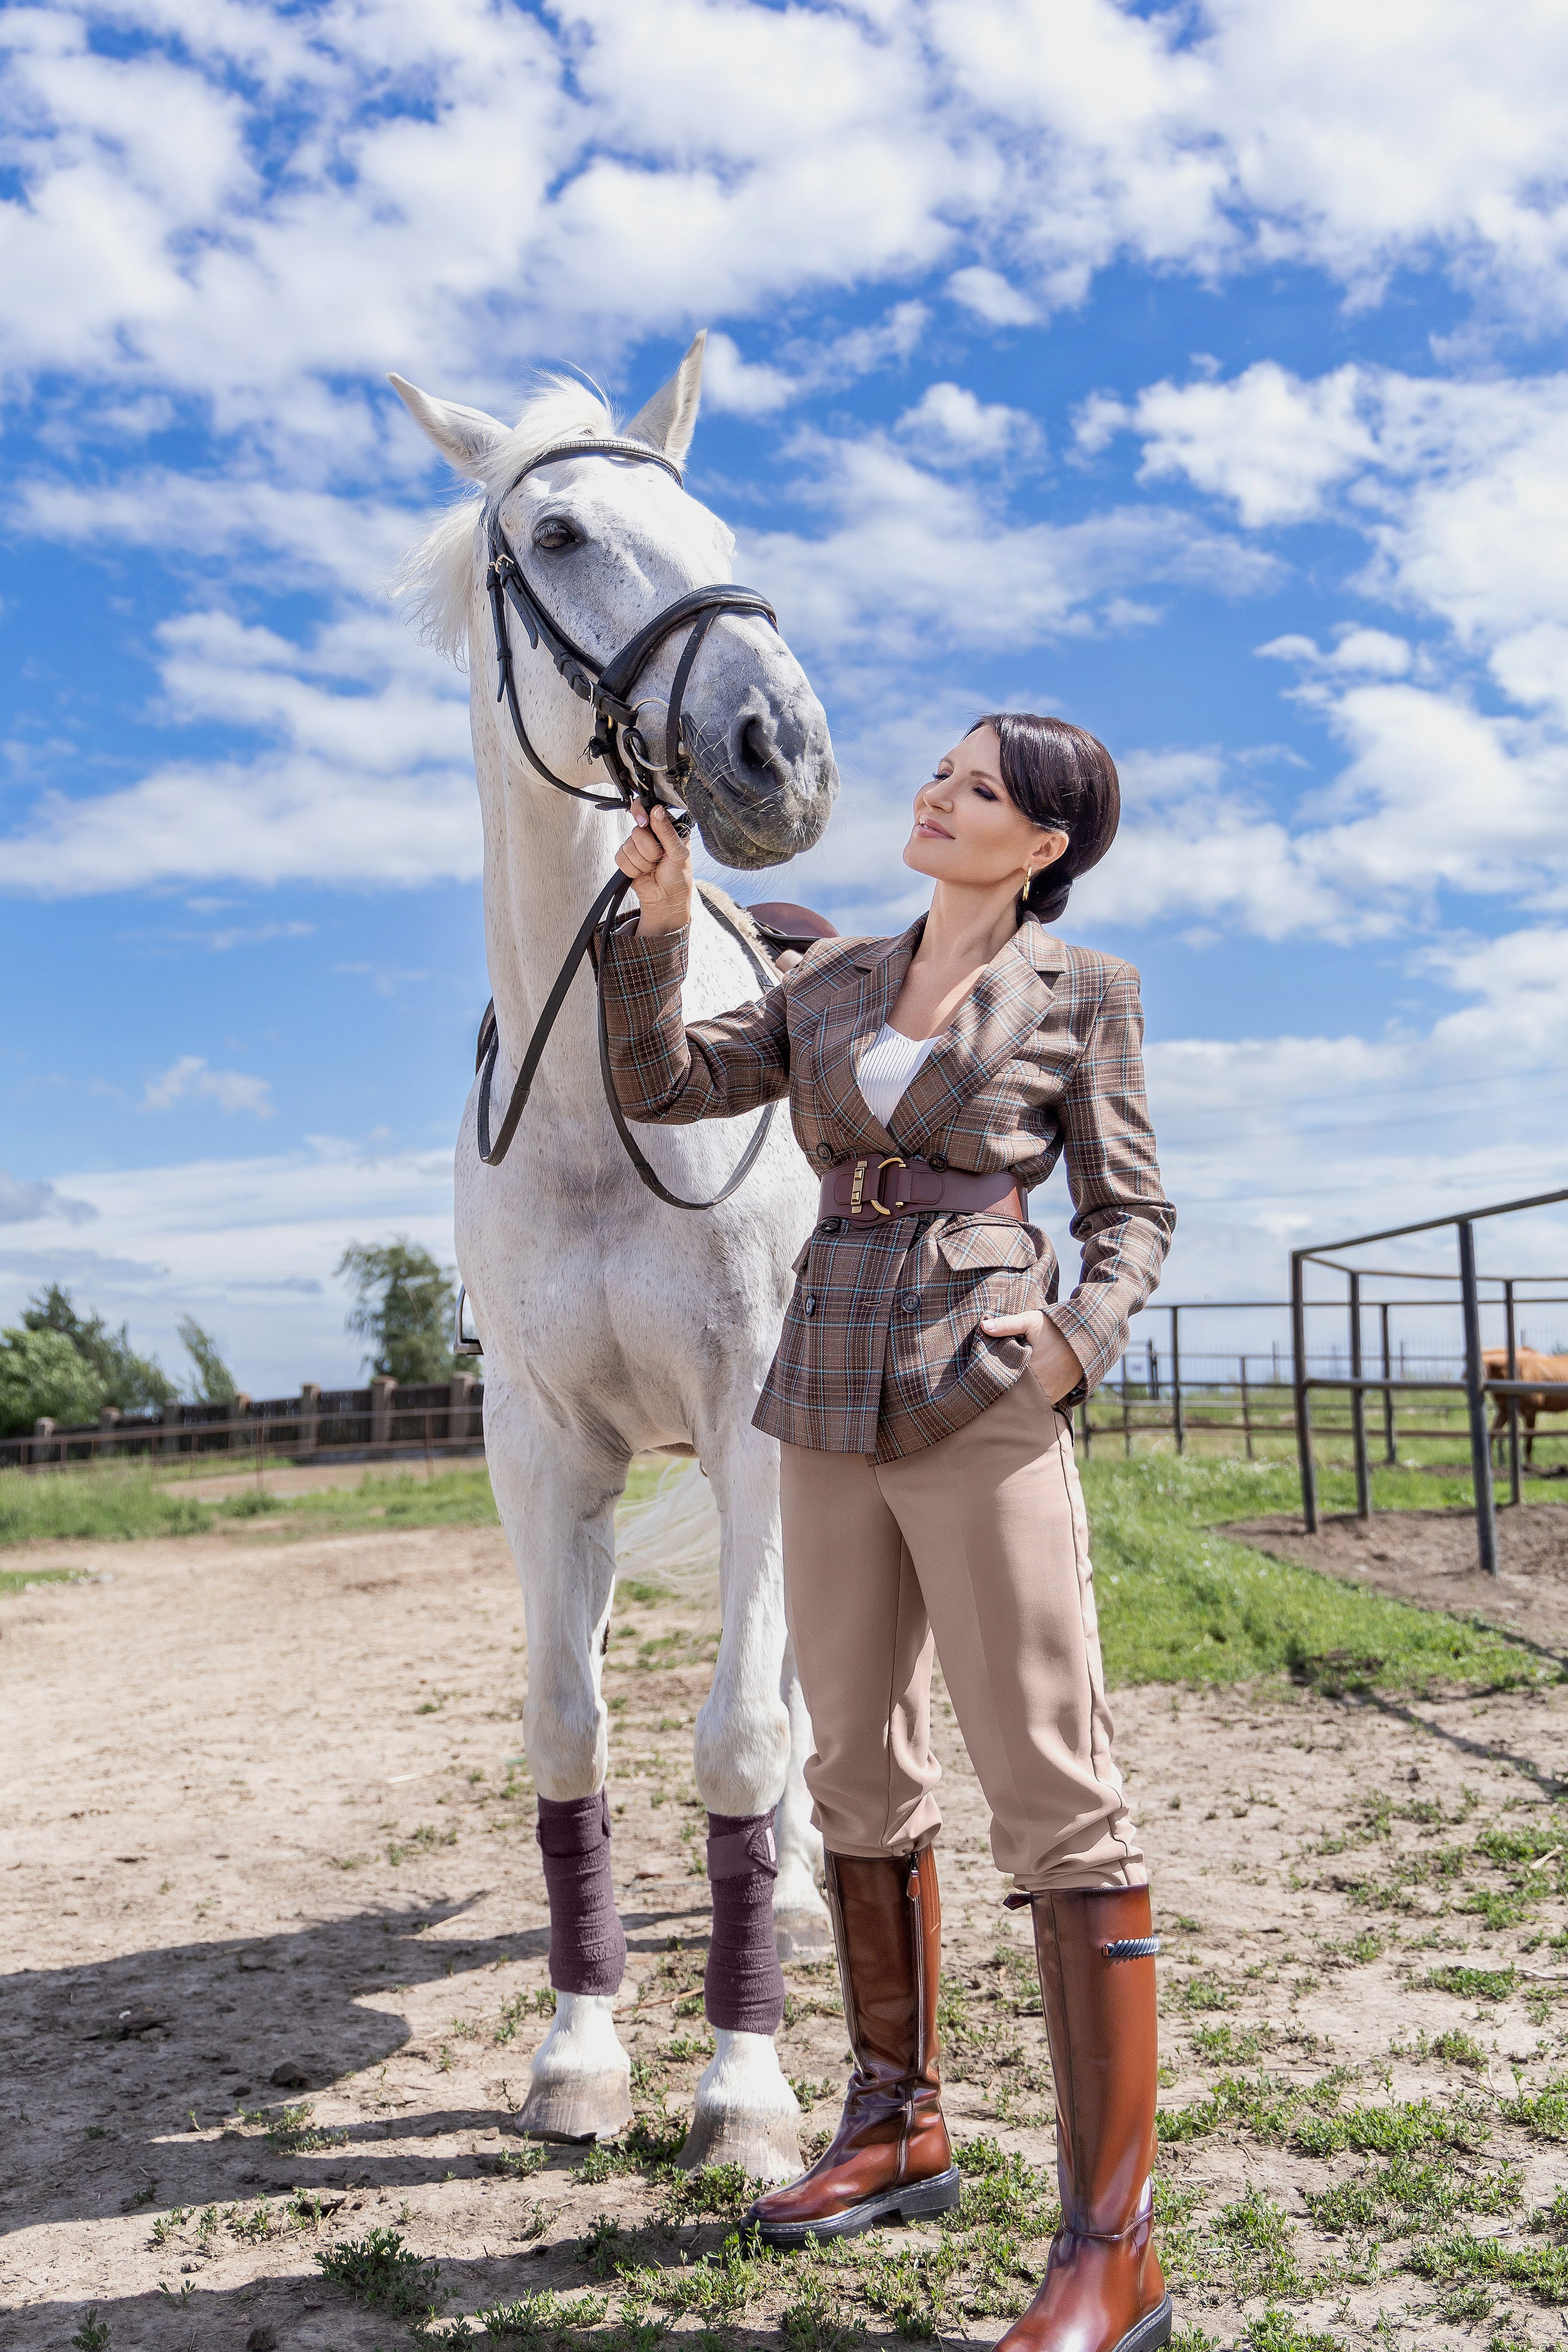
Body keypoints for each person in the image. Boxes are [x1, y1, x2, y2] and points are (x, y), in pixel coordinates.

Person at [605, 715, 1177, 2352]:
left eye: (978, 789)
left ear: (1043, 844)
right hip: (821, 1389)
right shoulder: (834, 979)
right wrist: (655, 931)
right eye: (940, 774)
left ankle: (1110, 2246)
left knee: (1057, 1793)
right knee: (849, 1763)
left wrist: (1070, 1346)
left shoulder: (1086, 998)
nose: (936, 794)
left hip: (984, 1392)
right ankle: (894, 2122)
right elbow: (662, 1083)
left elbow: (1130, 1213)